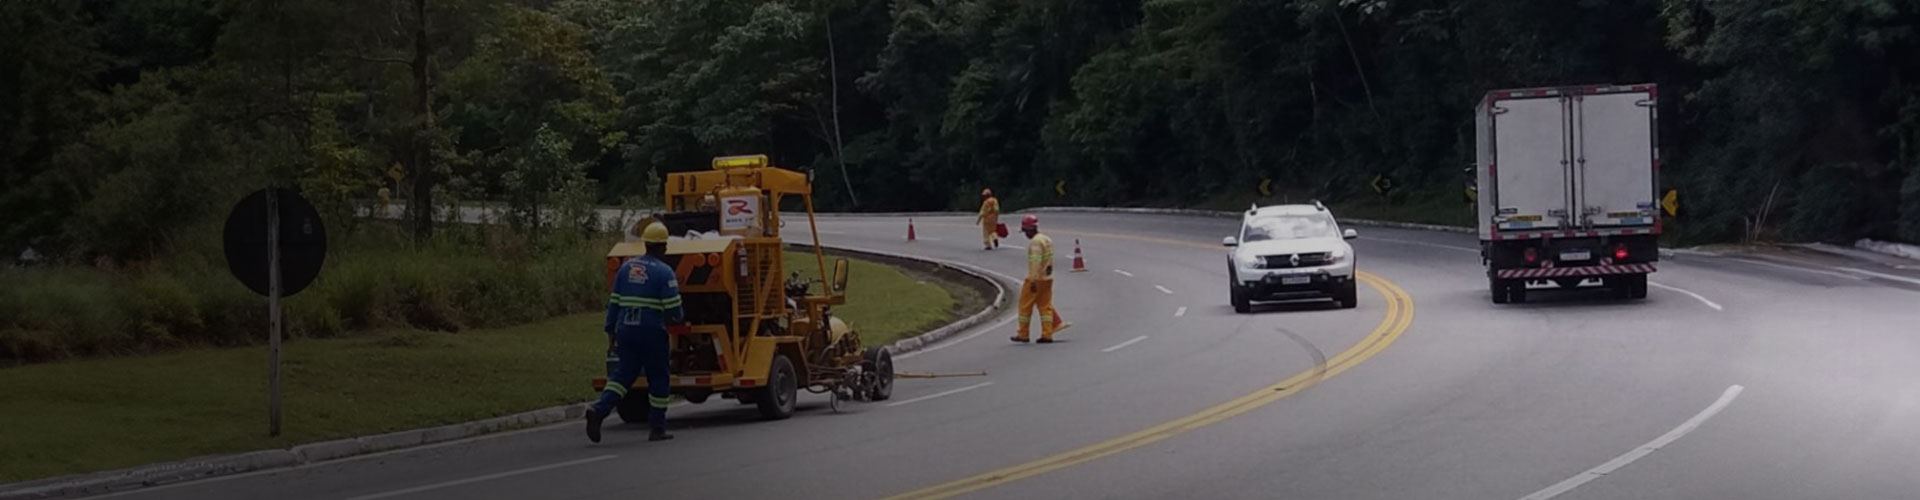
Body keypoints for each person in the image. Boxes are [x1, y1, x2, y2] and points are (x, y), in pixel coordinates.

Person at [586, 222, 684, 443]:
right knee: (658, 377)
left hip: (626, 330)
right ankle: (657, 428)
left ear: (645, 244)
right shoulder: (664, 272)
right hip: (652, 332)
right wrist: (678, 319)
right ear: (664, 247)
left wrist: (610, 330)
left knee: (624, 374)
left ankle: (599, 410)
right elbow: (673, 309)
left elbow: (614, 302)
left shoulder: (626, 268)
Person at [1012, 215, 1069, 343]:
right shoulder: (1046, 239)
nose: (1025, 234)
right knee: (1045, 307)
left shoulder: (1035, 243)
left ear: (1029, 229)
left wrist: (1033, 280)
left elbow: (1035, 262)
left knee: (1025, 306)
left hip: (1036, 279)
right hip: (1047, 279)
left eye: (1025, 231)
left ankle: (1023, 334)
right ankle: (1047, 334)